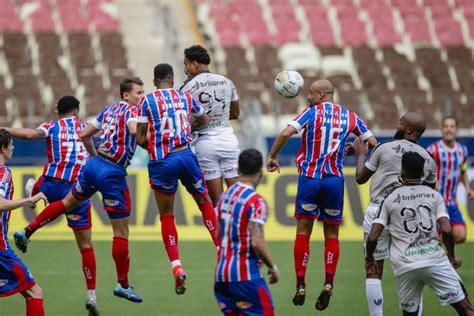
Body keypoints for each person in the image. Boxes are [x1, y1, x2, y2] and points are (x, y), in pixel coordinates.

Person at [13, 77, 145, 303]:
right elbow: (133, 131)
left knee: (66, 203)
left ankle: (27, 231)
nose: (142, 97)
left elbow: (85, 135)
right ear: (126, 95)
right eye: (139, 93)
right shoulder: (133, 112)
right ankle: (122, 284)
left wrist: (94, 157)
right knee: (121, 233)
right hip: (113, 173)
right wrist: (149, 137)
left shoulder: (107, 110)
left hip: (93, 167)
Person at [266, 79, 377, 310]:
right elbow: (372, 142)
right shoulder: (350, 117)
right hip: (334, 182)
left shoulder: (311, 113)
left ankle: (300, 284)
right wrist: (354, 151)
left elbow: (287, 132)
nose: (308, 96)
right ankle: (328, 283)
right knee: (332, 236)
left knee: (303, 234)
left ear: (322, 94)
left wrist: (272, 155)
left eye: (311, 93)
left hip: (310, 179)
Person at [2, 96, 99, 315]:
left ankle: (33, 198)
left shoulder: (52, 126)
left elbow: (28, 135)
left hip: (51, 184)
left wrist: (3, 128)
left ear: (58, 111)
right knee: (86, 247)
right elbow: (93, 154)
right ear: (76, 110)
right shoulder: (85, 128)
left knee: (42, 183)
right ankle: (91, 295)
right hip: (76, 189)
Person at [136, 63, 218, 295]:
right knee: (204, 203)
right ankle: (222, 250)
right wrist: (185, 127)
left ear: (154, 82)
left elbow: (140, 136)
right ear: (172, 80)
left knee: (166, 215)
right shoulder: (184, 97)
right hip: (185, 155)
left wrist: (153, 148)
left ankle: (177, 266)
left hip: (162, 161)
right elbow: (204, 119)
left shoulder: (146, 101)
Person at [366, 151, 473, 316]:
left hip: (404, 265)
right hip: (434, 260)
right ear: (423, 172)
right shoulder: (434, 195)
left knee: (410, 314)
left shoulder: (390, 197)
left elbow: (373, 236)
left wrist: (370, 259)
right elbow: (446, 229)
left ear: (401, 172)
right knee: (466, 310)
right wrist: (451, 256)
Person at [353, 112, 437, 316]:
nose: (396, 123)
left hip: (378, 212)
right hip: (408, 216)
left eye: (400, 121)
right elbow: (429, 194)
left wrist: (361, 154)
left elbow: (360, 178)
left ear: (408, 129)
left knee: (373, 267)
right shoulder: (428, 159)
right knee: (413, 269)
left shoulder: (383, 148)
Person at [214, 149, 279, 315]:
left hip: (222, 277)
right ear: (261, 173)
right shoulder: (256, 202)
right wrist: (272, 267)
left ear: (237, 170)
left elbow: (218, 234)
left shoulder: (224, 196)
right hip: (246, 277)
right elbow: (257, 241)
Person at [180, 45, 240, 207]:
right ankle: (239, 230)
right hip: (228, 139)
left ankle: (222, 232)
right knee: (237, 198)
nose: (185, 70)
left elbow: (183, 120)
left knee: (217, 202)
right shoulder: (227, 82)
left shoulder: (187, 88)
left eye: (185, 64)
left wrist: (202, 120)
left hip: (205, 143)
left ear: (195, 64)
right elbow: (235, 114)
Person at [0, 129, 47, 316]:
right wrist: (29, 200)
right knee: (34, 292)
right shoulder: (3, 173)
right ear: (2, 148)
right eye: (10, 144)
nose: (13, 147)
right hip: (1, 249)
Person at [426, 116, 473, 244]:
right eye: (446, 126)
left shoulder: (463, 150)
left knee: (461, 235)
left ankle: (439, 253)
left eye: (452, 126)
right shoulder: (433, 149)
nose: (448, 129)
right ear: (442, 129)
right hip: (435, 202)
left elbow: (462, 170)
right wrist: (430, 183)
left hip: (452, 203)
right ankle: (439, 256)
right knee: (437, 237)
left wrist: (468, 188)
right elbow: (423, 170)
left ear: (456, 130)